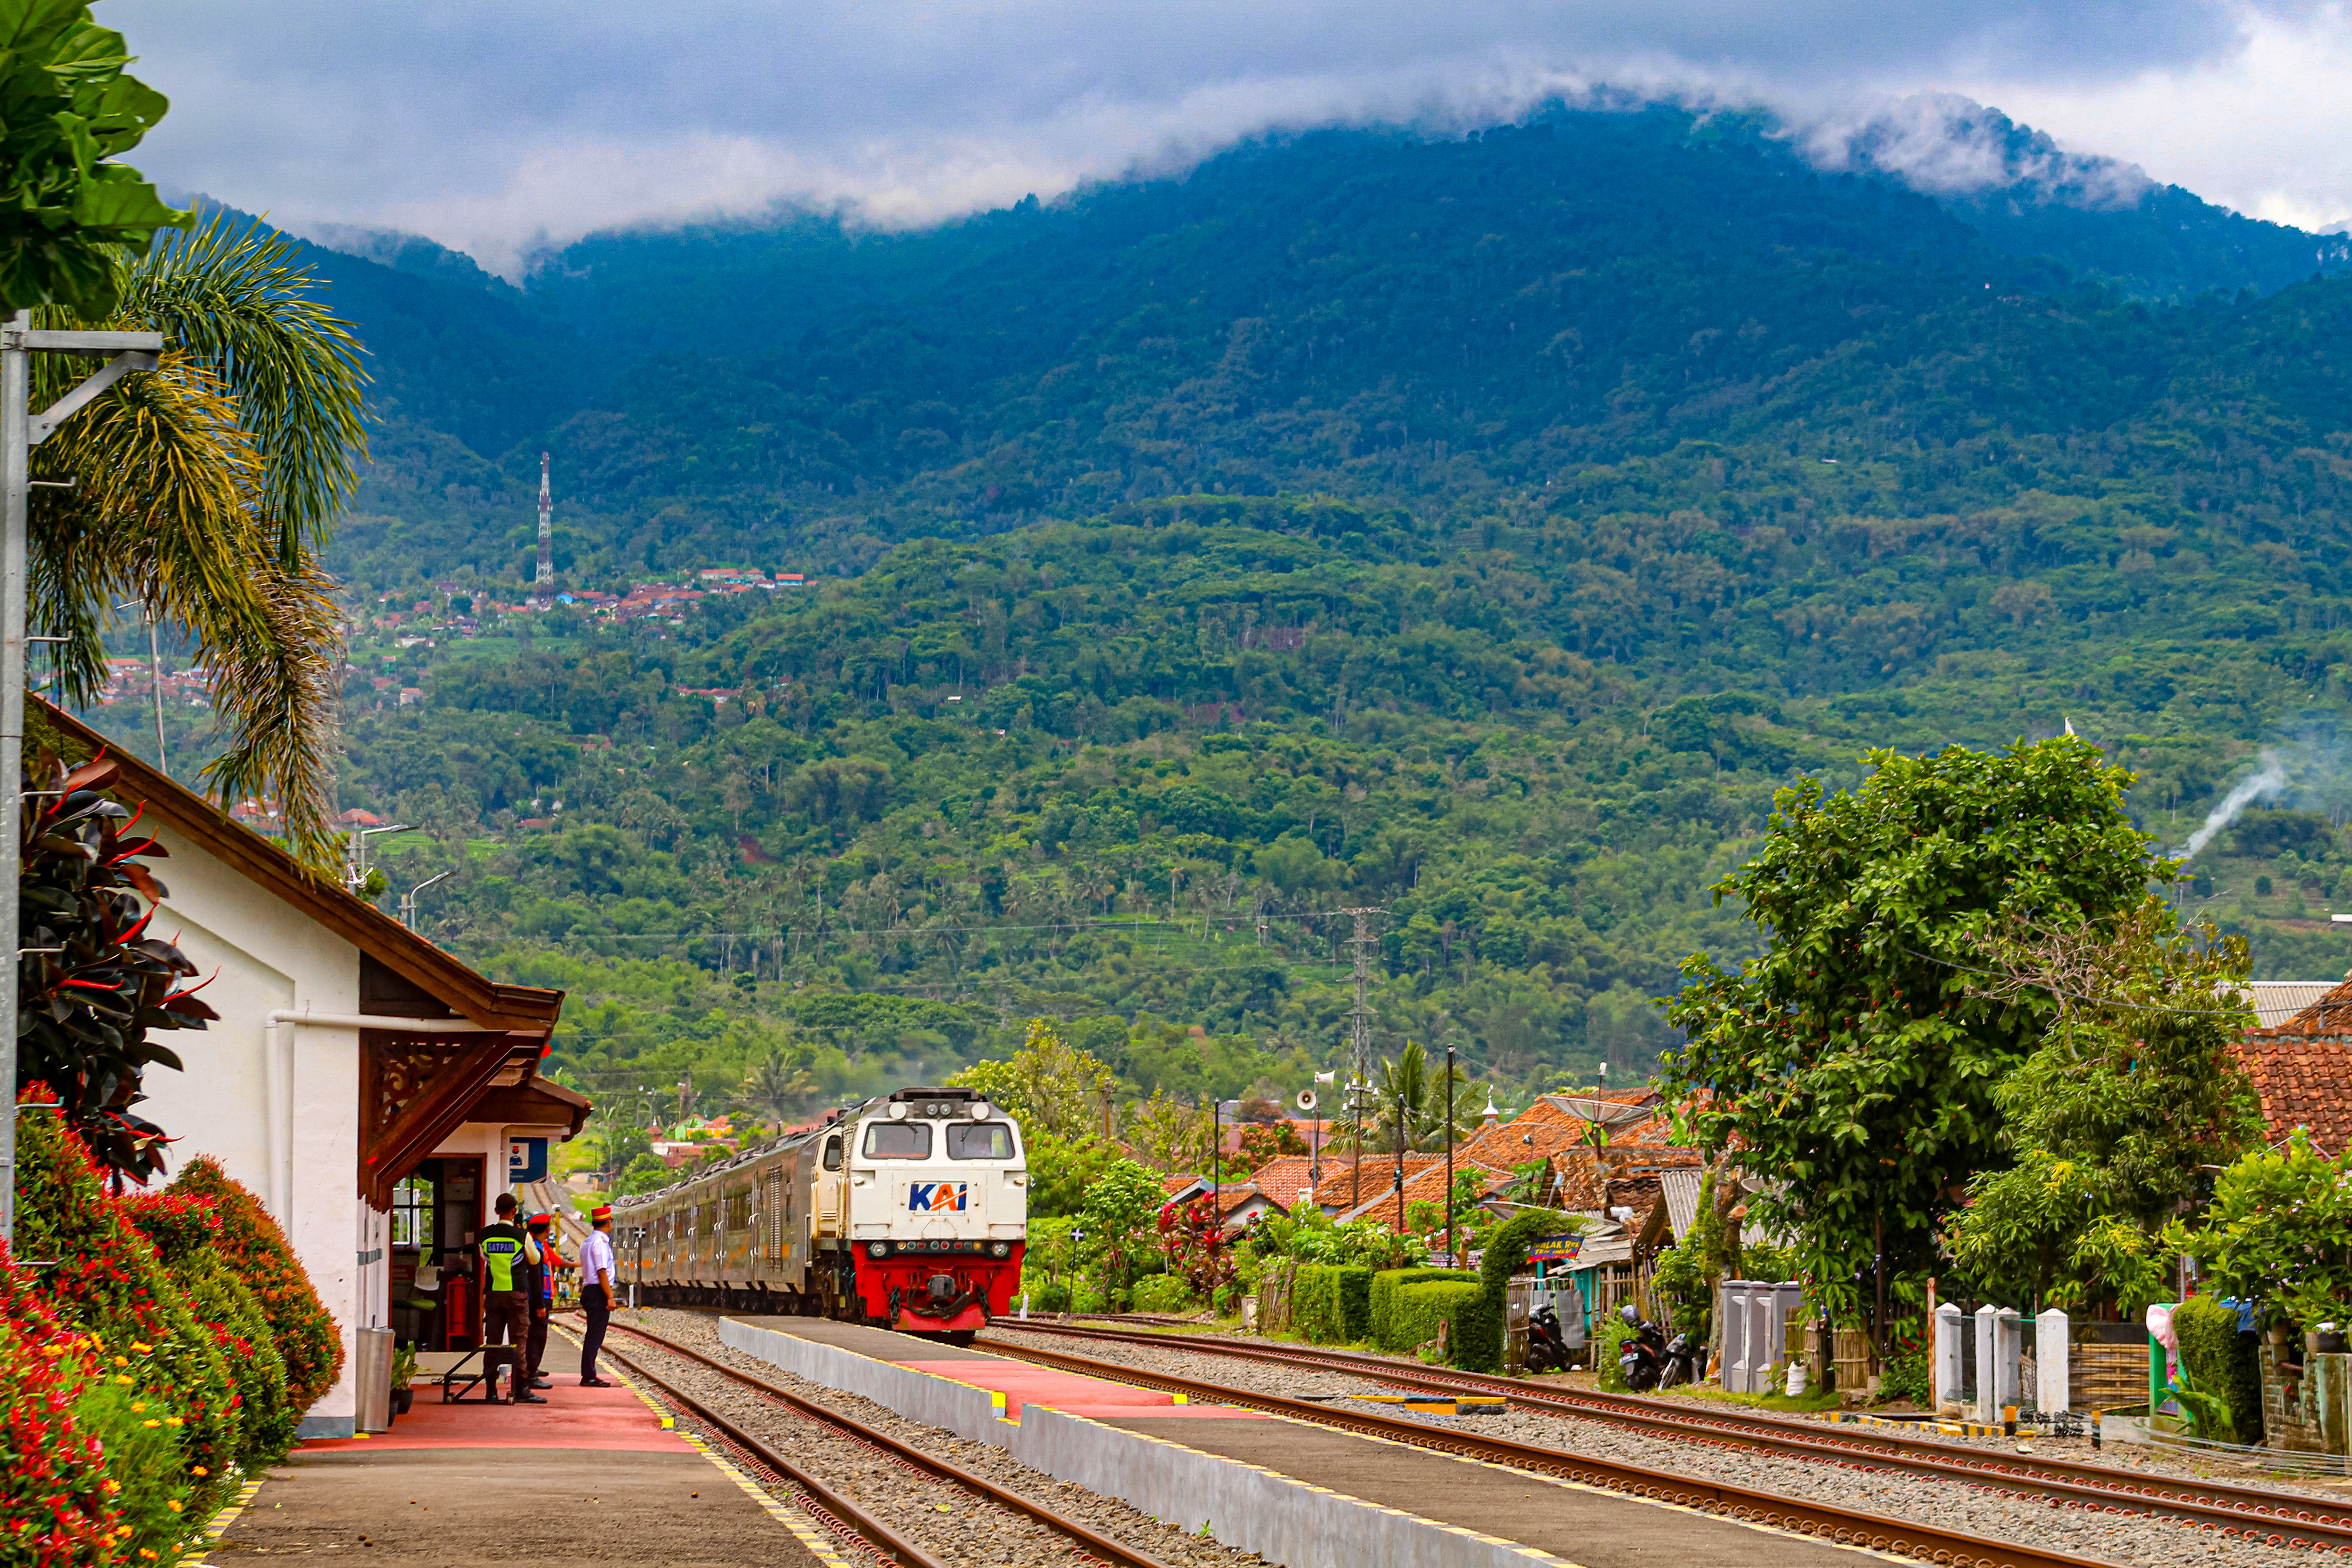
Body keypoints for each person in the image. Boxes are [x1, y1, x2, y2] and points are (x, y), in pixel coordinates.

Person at [474, 1193, 544, 1403]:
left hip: (494, 1295)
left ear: (497, 1211)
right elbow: (535, 1259)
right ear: (514, 1212)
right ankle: (521, 1389)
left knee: (493, 1343)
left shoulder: (485, 1235)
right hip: (517, 1296)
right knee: (519, 1343)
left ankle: (491, 1391)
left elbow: (484, 1257)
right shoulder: (522, 1236)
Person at [578, 1204, 615, 1388]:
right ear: (608, 1223)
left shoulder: (588, 1241)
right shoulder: (600, 1243)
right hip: (597, 1291)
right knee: (595, 1335)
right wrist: (609, 1296)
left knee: (593, 1334)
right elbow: (602, 1272)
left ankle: (589, 1373)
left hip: (590, 1290)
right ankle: (589, 1376)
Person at [523, 1212, 560, 1390]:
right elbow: (536, 1279)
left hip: (541, 1297)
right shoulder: (536, 1250)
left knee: (536, 1336)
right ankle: (531, 1375)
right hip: (540, 1298)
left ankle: (533, 1370)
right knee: (537, 1337)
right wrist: (540, 1305)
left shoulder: (538, 1247)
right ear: (547, 1230)